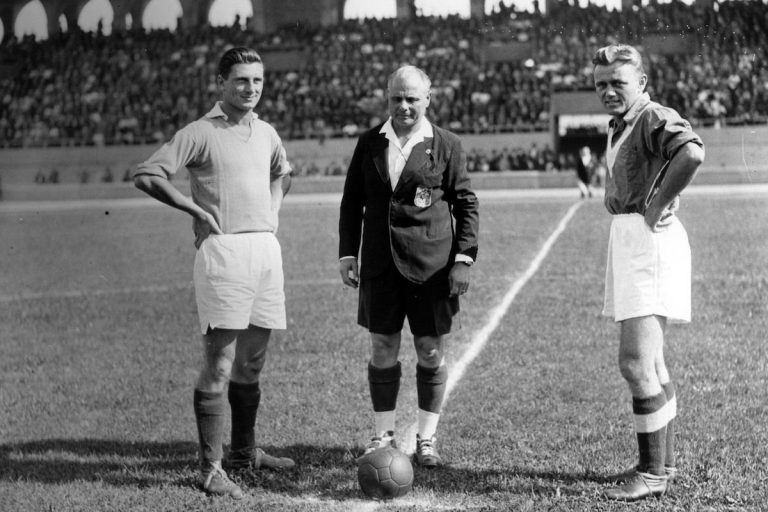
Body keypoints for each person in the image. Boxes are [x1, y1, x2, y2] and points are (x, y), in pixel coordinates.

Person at [133, 46, 295, 500]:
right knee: (220, 365)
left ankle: (243, 454)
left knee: (252, 362)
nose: (251, 88)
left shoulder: (266, 131)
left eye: (257, 80)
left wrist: (273, 210)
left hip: (265, 251)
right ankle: (210, 469)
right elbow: (148, 174)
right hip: (224, 254)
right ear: (221, 83)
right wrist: (195, 210)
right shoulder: (201, 132)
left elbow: (283, 174)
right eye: (241, 80)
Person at [338, 65, 480, 468]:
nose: (403, 106)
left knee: (430, 349)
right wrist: (348, 253)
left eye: (412, 98)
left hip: (431, 269)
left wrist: (463, 259)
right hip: (380, 266)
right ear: (387, 98)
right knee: (382, 347)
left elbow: (466, 203)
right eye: (396, 98)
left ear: (427, 99)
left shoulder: (447, 144)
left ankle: (426, 439)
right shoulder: (369, 142)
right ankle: (383, 435)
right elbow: (352, 202)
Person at [592, 44, 705, 501]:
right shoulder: (621, 123)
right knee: (652, 363)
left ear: (641, 83)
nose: (608, 91)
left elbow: (691, 152)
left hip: (649, 240)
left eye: (617, 83)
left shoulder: (651, 115)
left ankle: (653, 473)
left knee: (635, 363)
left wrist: (658, 203)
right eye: (601, 84)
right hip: (631, 239)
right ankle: (661, 463)